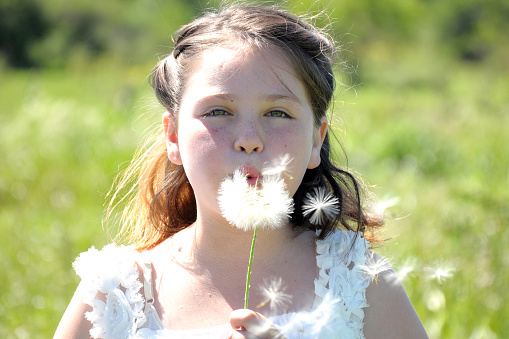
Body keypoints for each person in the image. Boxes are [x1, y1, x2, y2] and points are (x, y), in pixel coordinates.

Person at [55, 4, 428, 339]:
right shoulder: (115, 292)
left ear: (317, 140)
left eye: (278, 113)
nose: (249, 140)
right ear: (173, 136)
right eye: (218, 111)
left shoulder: (361, 282)